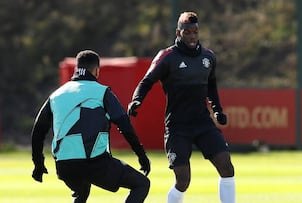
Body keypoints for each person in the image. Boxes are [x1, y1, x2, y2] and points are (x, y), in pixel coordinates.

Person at [128, 12, 235, 203]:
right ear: (179, 32)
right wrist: (137, 100)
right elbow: (146, 82)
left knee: (226, 166)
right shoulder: (167, 57)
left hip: (202, 122)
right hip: (178, 126)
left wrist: (217, 109)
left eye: (195, 32)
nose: (192, 36)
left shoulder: (208, 57)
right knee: (183, 180)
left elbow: (211, 86)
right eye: (187, 32)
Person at [31, 50, 151, 203]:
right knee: (141, 184)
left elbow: (38, 131)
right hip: (95, 163)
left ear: (76, 69)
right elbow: (125, 126)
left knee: (81, 191)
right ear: (96, 71)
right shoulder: (102, 92)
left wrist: (38, 164)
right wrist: (141, 155)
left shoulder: (56, 95)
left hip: (65, 166)